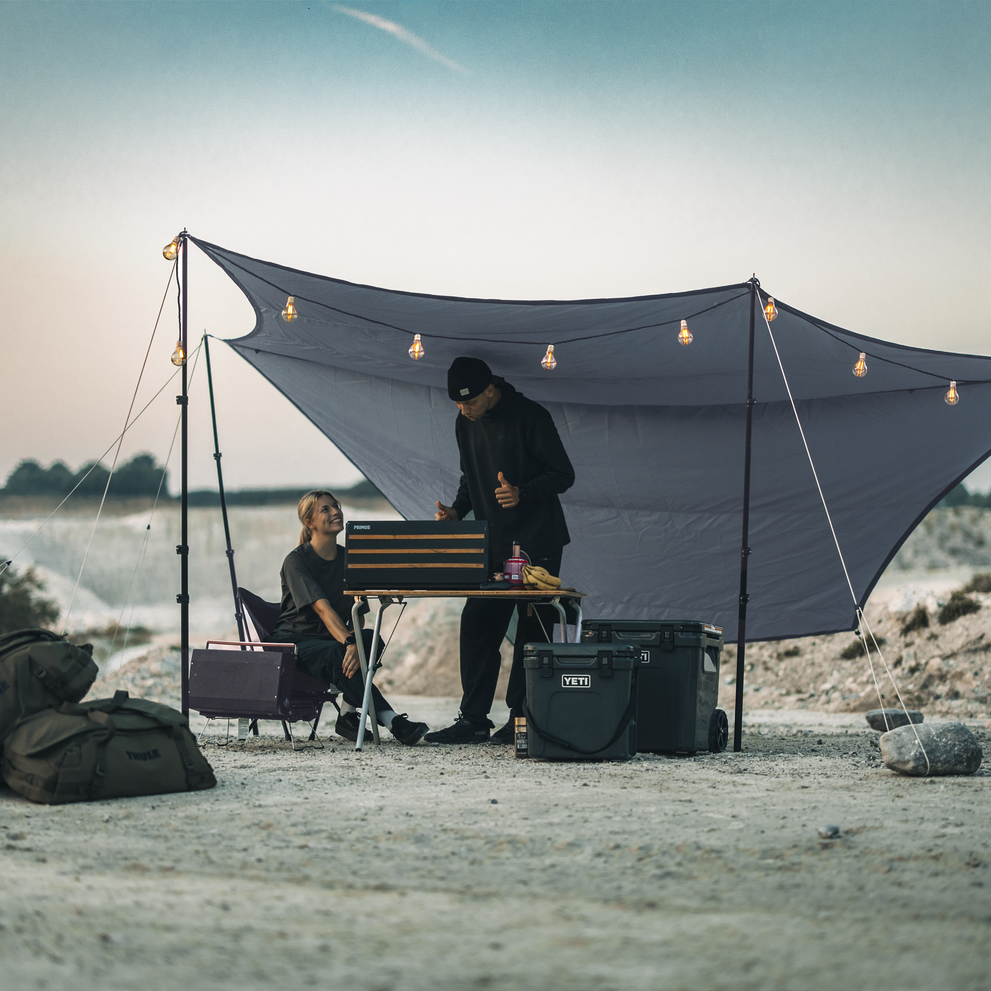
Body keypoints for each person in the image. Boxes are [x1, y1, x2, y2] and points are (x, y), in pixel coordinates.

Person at [425, 356, 576, 745]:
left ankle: (522, 719)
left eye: (470, 402)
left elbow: (563, 474)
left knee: (531, 632)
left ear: (490, 389)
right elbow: (470, 474)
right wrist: (458, 510)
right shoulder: (465, 422)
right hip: (493, 544)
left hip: (538, 543)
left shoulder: (531, 416)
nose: (464, 410)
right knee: (477, 624)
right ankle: (473, 719)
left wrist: (522, 492)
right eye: (458, 404)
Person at [270, 490, 429, 746]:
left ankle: (346, 714)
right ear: (309, 522)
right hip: (295, 643)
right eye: (325, 509)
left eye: (336, 506)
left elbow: (358, 614)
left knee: (370, 638)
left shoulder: (349, 559)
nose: (335, 511)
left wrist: (355, 639)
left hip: (332, 642)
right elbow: (324, 610)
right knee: (343, 651)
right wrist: (349, 643)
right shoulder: (296, 561)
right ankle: (393, 721)